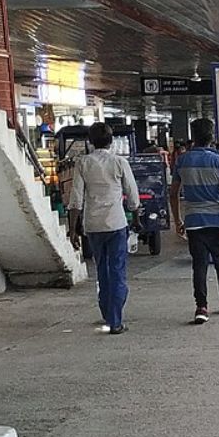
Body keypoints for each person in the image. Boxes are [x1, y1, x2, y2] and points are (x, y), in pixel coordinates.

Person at [66, 122, 140, 334]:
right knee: (117, 271)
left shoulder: (83, 163)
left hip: (93, 225)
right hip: (116, 223)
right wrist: (136, 217)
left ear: (90, 141)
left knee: (102, 270)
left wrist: (73, 229)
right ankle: (115, 320)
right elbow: (132, 194)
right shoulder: (119, 162)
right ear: (111, 140)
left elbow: (76, 198)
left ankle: (107, 313)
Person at [172, 118, 219, 324]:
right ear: (212, 136)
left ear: (193, 136)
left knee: (199, 265)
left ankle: (201, 307)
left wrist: (178, 220)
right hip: (216, 219)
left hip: (193, 221)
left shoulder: (181, 160)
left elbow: (173, 193)